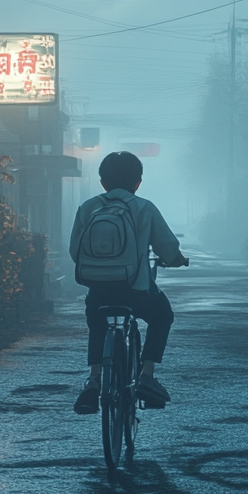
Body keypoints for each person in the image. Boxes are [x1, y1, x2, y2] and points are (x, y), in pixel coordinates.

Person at [69, 150, 189, 414]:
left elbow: (74, 251)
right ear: (138, 182)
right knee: (162, 315)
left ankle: (94, 379)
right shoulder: (144, 207)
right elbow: (167, 248)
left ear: (103, 182)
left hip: (98, 291)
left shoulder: (88, 207)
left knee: (98, 324)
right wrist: (178, 259)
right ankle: (146, 374)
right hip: (137, 292)